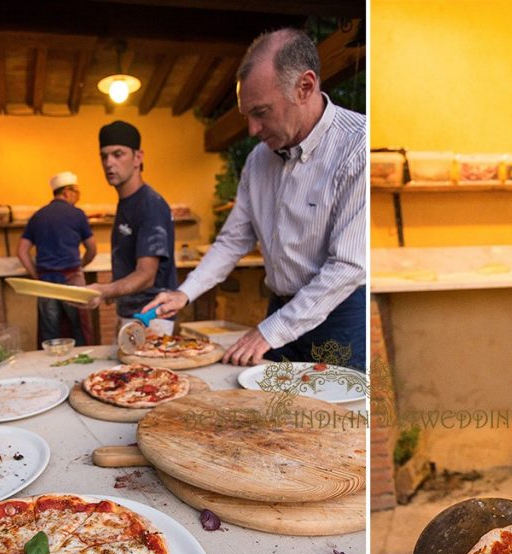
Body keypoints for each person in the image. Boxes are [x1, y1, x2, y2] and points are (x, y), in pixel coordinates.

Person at [142, 28, 366, 370]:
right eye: (248, 115)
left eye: (261, 112)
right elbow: (232, 241)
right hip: (278, 309)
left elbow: (347, 265)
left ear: (305, 87)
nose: (252, 130)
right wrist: (184, 293)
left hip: (339, 317)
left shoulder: (359, 147)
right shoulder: (258, 160)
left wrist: (269, 332)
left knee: (334, 421)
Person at [88, 120, 178, 326]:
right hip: (129, 315)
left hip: (151, 317)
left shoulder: (149, 204)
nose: (109, 163)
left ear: (138, 157)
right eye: (104, 156)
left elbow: (146, 275)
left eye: (118, 154)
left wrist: (104, 290)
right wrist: (109, 292)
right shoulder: (126, 203)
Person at [16, 171, 97, 345]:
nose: (77, 197)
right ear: (67, 192)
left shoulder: (38, 216)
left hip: (46, 283)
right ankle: (83, 368)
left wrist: (37, 276)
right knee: (79, 331)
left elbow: (22, 252)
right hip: (72, 281)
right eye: (76, 192)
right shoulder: (77, 215)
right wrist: (80, 266)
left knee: (50, 335)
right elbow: (92, 249)